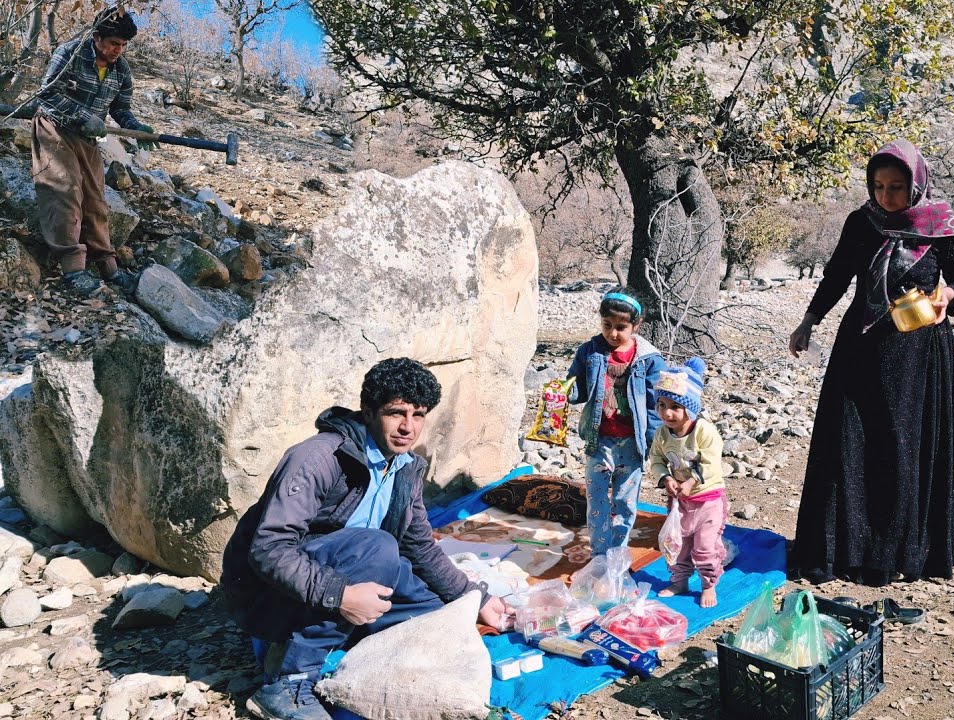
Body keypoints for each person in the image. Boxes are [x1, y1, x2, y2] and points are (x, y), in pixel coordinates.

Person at [221, 358, 510, 720]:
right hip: (266, 595)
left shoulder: (405, 466)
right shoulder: (318, 458)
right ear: (369, 412)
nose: (408, 427)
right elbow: (268, 550)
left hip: (337, 574)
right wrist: (342, 596)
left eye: (418, 415)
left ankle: (340, 640)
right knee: (377, 548)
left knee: (435, 613)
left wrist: (474, 597)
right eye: (396, 413)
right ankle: (289, 682)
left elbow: (419, 545)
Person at [787, 139, 954, 586]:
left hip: (916, 351)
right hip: (859, 345)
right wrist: (809, 321)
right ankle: (843, 548)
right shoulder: (862, 221)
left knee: (901, 445)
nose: (886, 197)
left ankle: (896, 551)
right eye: (878, 186)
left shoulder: (941, 224)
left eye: (896, 187)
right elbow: (837, 274)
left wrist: (948, 297)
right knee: (848, 441)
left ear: (915, 185)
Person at [32, 6, 155, 297]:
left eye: (123, 45)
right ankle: (73, 269)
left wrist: (138, 128)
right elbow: (47, 92)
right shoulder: (70, 52)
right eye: (114, 43)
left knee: (96, 201)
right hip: (54, 127)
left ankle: (107, 267)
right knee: (65, 190)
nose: (118, 50)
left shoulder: (121, 70)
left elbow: (121, 110)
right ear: (97, 37)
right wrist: (82, 115)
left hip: (88, 139)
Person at [567, 288, 666, 556]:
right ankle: (600, 555)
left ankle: (616, 554)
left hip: (631, 444)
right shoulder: (590, 352)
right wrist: (563, 392)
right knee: (596, 501)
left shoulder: (649, 360)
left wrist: (654, 444)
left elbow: (655, 405)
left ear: (637, 325)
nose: (612, 333)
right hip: (598, 441)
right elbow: (579, 388)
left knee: (625, 501)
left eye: (621, 327)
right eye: (607, 325)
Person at [648, 358, 728, 608]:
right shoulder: (662, 433)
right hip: (680, 501)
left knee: (704, 547)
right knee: (677, 545)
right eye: (661, 405)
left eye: (675, 406)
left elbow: (712, 461)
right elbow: (657, 459)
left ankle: (708, 584)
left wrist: (693, 480)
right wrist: (666, 478)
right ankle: (680, 581)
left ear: (690, 408)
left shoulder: (704, 431)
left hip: (708, 500)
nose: (667, 413)